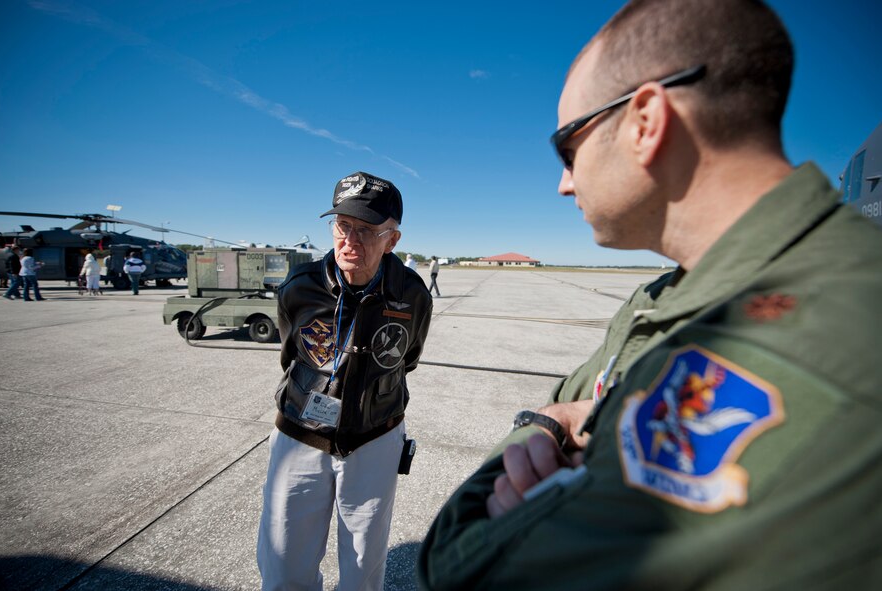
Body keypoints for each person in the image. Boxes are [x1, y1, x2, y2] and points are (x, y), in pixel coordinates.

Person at [418, 1, 882, 589]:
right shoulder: (673, 294)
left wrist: (543, 426)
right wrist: (562, 425)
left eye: (568, 148)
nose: (564, 183)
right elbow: (583, 398)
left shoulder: (784, 350)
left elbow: (464, 568)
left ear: (645, 121)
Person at [257, 171, 433, 591]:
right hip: (300, 435)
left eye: (368, 230)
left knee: (363, 569)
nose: (351, 241)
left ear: (393, 240)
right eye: (343, 226)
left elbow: (406, 360)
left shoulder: (412, 294)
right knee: (284, 565)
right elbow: (291, 355)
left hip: (375, 437)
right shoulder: (300, 287)